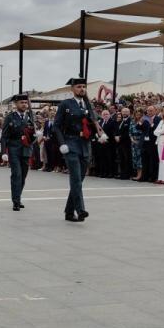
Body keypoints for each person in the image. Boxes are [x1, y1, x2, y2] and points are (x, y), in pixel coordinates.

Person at [53, 77, 107, 222]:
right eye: (78, 87)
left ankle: (69, 212)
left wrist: (99, 134)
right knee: (76, 179)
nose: (82, 89)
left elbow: (92, 124)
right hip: (71, 144)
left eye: (84, 86)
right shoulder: (66, 104)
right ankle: (80, 209)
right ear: (72, 89)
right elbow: (56, 126)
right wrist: (62, 143)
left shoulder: (88, 106)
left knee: (79, 180)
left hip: (85, 145)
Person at [1, 93, 34, 210]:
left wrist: (35, 136)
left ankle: (18, 197)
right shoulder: (10, 117)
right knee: (17, 175)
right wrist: (3, 152)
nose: (24, 105)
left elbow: (32, 133)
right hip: (14, 148)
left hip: (26, 149)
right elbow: (4, 136)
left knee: (23, 175)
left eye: (26, 103)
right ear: (16, 104)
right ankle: (16, 201)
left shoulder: (30, 116)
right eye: (22, 103)